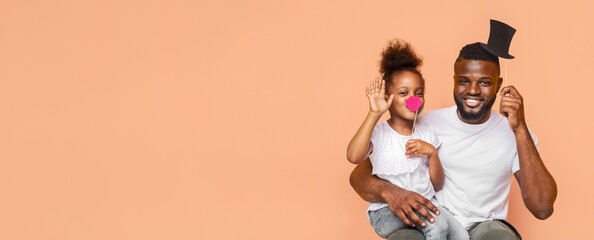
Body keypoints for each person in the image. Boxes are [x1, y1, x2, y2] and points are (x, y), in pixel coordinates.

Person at [349, 42, 557, 240]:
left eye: (484, 82)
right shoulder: (423, 125)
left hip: (483, 228)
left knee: (499, 236)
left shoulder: (516, 133)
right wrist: (391, 192)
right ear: (454, 81)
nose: (473, 90)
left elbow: (542, 208)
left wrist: (520, 129)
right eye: (464, 80)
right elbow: (360, 175)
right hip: (427, 222)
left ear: (499, 85)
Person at [347, 39, 469, 239]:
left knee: (461, 235)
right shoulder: (379, 132)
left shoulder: (427, 133)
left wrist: (431, 154)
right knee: (436, 227)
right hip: (385, 212)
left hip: (427, 204)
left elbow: (437, 184)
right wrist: (373, 114)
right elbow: (353, 156)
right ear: (388, 97)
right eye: (403, 93)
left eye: (418, 93)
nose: (413, 99)